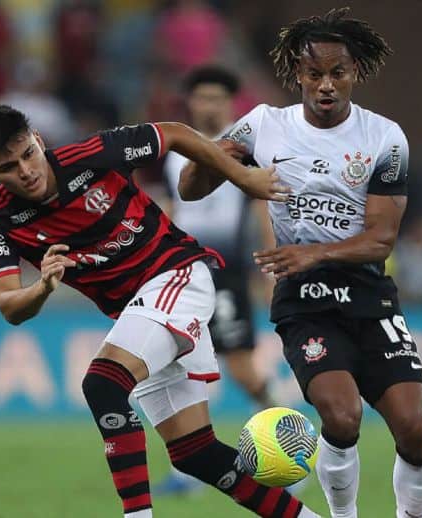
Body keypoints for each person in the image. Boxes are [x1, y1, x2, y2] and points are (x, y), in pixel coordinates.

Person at [0, 104, 320, 518]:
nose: (26, 170)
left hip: (177, 274)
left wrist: (242, 176)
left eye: (28, 153)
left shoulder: (89, 158)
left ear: (39, 142)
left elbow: (173, 133)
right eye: (9, 166)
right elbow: (10, 305)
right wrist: (42, 287)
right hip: (138, 310)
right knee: (195, 453)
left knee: (102, 384)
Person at [178, 8, 422, 518]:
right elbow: (189, 187)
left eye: (336, 73)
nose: (325, 85)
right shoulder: (263, 126)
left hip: (368, 294)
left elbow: (381, 240)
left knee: (414, 425)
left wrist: (310, 252)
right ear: (297, 74)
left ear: (354, 73)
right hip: (305, 300)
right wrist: (233, 164)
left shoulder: (384, 139)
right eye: (314, 74)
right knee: (341, 418)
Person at [155, 65, 278, 495]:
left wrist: (269, 266)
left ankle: (284, 434)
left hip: (225, 272)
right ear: (190, 102)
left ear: (230, 103)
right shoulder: (174, 151)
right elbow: (171, 209)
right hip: (181, 272)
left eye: (216, 98)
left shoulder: (243, 148)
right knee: (178, 366)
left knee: (242, 369)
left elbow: (262, 205)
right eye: (201, 97)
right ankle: (190, 467)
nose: (208, 105)